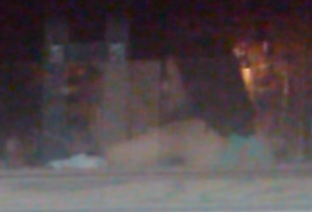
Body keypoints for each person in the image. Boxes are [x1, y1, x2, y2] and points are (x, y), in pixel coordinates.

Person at [106, 46, 272, 170]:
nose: (165, 87)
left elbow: (115, 156)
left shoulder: (187, 134)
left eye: (171, 78)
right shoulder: (256, 133)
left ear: (194, 84)